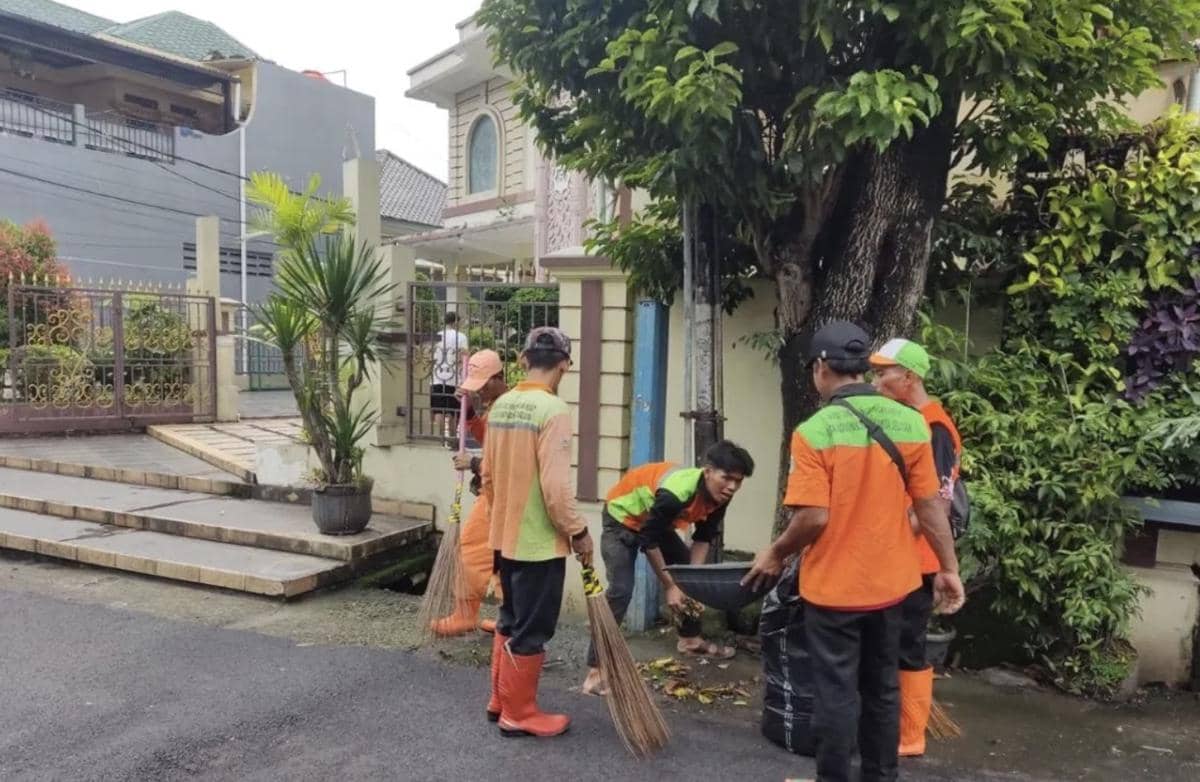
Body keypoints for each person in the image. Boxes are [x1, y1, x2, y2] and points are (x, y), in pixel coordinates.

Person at [742, 321, 964, 782]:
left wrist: (776, 553)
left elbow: (813, 518)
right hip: (895, 587)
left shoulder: (814, 431)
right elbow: (929, 505)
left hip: (835, 590)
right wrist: (948, 568)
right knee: (883, 689)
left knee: (836, 694)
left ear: (822, 367)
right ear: (863, 370)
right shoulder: (910, 423)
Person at [481, 327, 594, 738]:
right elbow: (556, 488)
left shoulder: (503, 405)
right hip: (538, 545)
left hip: (505, 538)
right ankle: (519, 714)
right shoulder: (554, 411)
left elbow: (487, 475)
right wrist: (578, 531)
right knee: (532, 629)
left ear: (524, 359)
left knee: (510, 619)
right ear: (564, 364)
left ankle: (500, 701)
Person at [581, 441, 755, 696]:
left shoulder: (721, 496)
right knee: (621, 590)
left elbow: (703, 537)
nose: (732, 486)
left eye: (738, 481)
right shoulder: (675, 494)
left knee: (689, 574)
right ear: (708, 471)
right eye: (727, 478)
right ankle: (595, 669)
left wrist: (691, 583)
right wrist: (671, 585)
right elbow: (648, 541)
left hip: (655, 524)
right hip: (622, 519)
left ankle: (690, 639)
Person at [870, 338, 963, 757]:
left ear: (908, 377)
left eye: (882, 373)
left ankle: (910, 736)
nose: (876, 381)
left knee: (908, 645)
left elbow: (935, 501)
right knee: (890, 642)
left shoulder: (935, 427)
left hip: (917, 560)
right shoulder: (912, 421)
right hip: (899, 557)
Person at [430, 349, 508, 637]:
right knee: (501, 559)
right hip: (496, 493)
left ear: (499, 378)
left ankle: (468, 615)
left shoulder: (506, 409)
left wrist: (474, 462)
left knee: (472, 549)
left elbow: (510, 460)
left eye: (483, 386)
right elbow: (488, 437)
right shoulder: (498, 406)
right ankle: (506, 621)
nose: (481, 392)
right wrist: (472, 413)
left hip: (501, 495)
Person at [430, 311, 468, 439]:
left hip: (437, 376)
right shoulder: (461, 337)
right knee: (453, 411)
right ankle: (452, 439)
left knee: (438, 410)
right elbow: (463, 356)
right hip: (454, 378)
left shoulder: (437, 335)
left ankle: (440, 439)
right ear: (456, 322)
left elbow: (430, 355)